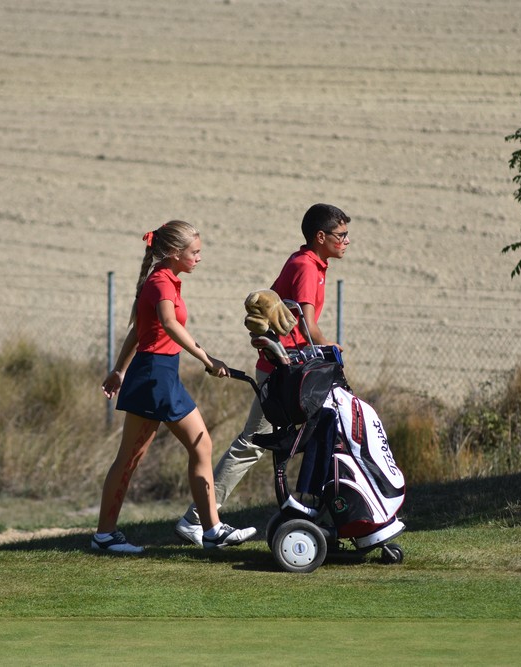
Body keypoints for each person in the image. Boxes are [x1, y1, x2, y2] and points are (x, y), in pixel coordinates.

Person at [175, 203, 351, 545]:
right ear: (320, 236)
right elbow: (307, 323)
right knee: (252, 443)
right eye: (340, 235)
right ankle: (196, 518)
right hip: (282, 371)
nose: (346, 241)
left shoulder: (314, 264)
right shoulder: (304, 266)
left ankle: (312, 509)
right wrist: (332, 347)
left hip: (295, 369)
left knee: (303, 437)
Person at [94, 220, 258, 554]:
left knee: (201, 446)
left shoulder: (167, 280)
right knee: (130, 459)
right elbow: (167, 324)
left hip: (160, 374)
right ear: (173, 252)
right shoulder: (161, 282)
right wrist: (207, 358)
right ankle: (105, 536)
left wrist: (118, 371)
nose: (199, 258)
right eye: (194, 252)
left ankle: (211, 530)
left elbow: (140, 329)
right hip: (154, 376)